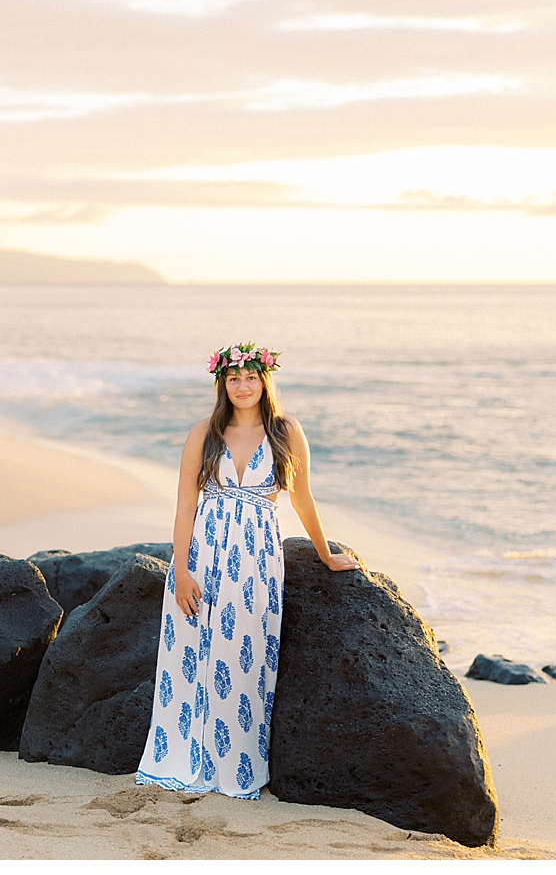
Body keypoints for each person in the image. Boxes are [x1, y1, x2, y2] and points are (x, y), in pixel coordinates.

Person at [135, 342, 360, 800]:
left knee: (244, 662)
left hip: (255, 562)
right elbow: (184, 504)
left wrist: (326, 554)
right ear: (222, 383)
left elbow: (302, 498)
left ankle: (234, 765)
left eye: (251, 377)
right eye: (234, 378)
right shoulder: (204, 431)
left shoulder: (286, 431)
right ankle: (181, 758)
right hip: (201, 556)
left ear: (265, 381)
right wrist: (180, 571)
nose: (242, 386)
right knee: (189, 662)